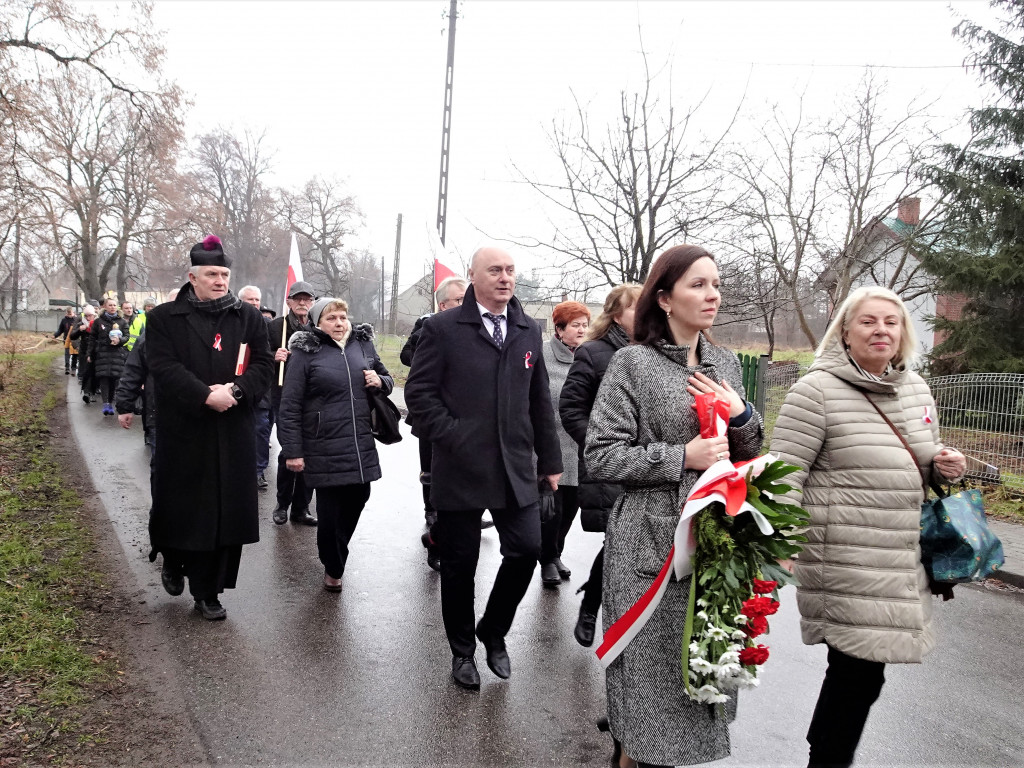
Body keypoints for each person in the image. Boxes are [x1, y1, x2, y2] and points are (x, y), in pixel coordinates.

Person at [768, 285, 966, 768]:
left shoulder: (917, 389)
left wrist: (945, 466)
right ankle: (828, 760)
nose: (881, 330)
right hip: (843, 553)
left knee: (859, 675)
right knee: (858, 671)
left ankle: (827, 757)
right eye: (868, 322)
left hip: (900, 554)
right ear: (845, 333)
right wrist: (781, 544)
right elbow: (784, 472)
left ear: (903, 334)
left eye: (891, 322)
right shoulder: (815, 391)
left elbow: (919, 461)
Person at [585, 245, 763, 768]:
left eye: (716, 284)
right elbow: (601, 455)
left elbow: (749, 451)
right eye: (698, 285)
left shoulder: (725, 362)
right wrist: (680, 456)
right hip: (651, 543)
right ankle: (632, 750)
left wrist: (742, 412)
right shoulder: (631, 365)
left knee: (700, 668)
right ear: (664, 298)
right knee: (651, 674)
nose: (713, 295)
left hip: (715, 543)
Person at [405, 245, 563, 691]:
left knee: (528, 549)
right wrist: (455, 436)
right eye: (495, 270)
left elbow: (539, 400)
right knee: (460, 565)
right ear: (473, 275)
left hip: (516, 466)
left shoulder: (528, 329)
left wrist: (550, 462)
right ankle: (462, 653)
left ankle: (493, 629)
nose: (505, 278)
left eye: (511, 270)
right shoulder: (442, 328)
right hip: (460, 468)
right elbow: (419, 395)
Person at [145, 235, 274, 621]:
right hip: (186, 430)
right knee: (183, 509)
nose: (220, 281)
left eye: (224, 274)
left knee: (222, 514)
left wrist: (235, 390)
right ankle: (172, 557)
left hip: (232, 429)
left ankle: (208, 591)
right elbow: (164, 368)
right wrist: (204, 395)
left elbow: (264, 366)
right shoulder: (164, 318)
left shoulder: (248, 317)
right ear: (193, 277)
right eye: (212, 274)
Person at [277, 298, 394, 591]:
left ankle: (336, 553)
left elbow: (387, 378)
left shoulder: (362, 346)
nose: (339, 323)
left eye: (342, 317)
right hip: (322, 443)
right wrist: (293, 450)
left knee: (359, 497)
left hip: (359, 442)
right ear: (318, 324)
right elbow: (289, 404)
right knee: (329, 513)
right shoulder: (305, 353)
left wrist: (379, 381)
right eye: (331, 319)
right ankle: (333, 564)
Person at [558, 283, 641, 646]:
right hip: (610, 464)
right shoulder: (593, 353)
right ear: (616, 314)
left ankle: (602, 600)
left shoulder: (657, 353)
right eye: (635, 307)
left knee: (635, 541)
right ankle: (593, 606)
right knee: (619, 537)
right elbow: (571, 408)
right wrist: (598, 446)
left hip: (651, 463)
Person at [401, 276, 467, 533]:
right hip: (430, 408)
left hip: (461, 409)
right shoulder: (426, 325)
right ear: (442, 304)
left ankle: (463, 511)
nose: (466, 303)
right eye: (459, 299)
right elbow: (406, 356)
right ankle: (431, 510)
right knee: (430, 466)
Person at [538, 300, 591, 587]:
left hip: (579, 446)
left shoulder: (588, 356)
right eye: (576, 325)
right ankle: (546, 559)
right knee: (551, 510)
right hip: (552, 444)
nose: (582, 330)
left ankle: (556, 553)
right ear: (559, 329)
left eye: (585, 324)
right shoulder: (543, 355)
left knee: (570, 508)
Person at [267, 281, 318, 525]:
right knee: (290, 450)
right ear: (288, 301)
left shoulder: (319, 327)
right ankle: (282, 504)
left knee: (311, 453)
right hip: (284, 397)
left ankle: (301, 508)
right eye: (298, 298)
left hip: (314, 399)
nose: (302, 303)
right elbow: (255, 357)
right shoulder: (276, 326)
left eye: (307, 299)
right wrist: (272, 357)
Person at [238, 285, 273, 491]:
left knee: (261, 430)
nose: (254, 304)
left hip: (261, 389)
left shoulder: (267, 325)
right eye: (250, 300)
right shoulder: (232, 321)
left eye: (257, 300)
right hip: (233, 386)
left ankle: (258, 471)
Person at [89, 297, 130, 416]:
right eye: (110, 305)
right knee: (104, 378)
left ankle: (111, 403)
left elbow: (127, 336)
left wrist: (120, 340)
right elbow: (92, 338)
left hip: (117, 354)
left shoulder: (122, 322)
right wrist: (90, 354)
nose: (112, 307)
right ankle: (105, 404)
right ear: (105, 307)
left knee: (114, 380)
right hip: (102, 353)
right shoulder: (99, 321)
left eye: (114, 305)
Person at [70, 305, 97, 393]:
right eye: (86, 316)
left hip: (95, 351)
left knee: (94, 372)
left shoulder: (98, 324)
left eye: (90, 315)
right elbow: (72, 336)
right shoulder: (81, 324)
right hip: (84, 350)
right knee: (85, 371)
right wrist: (79, 330)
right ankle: (86, 391)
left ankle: (94, 389)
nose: (88, 318)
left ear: (94, 315)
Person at [54, 307, 77, 374]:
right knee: (67, 353)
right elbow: (60, 330)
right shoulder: (64, 320)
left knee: (75, 354)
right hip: (66, 339)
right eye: (68, 314)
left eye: (70, 314)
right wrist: (55, 335)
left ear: (73, 312)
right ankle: (67, 367)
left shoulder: (76, 319)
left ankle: (73, 368)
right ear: (66, 313)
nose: (69, 315)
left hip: (75, 340)